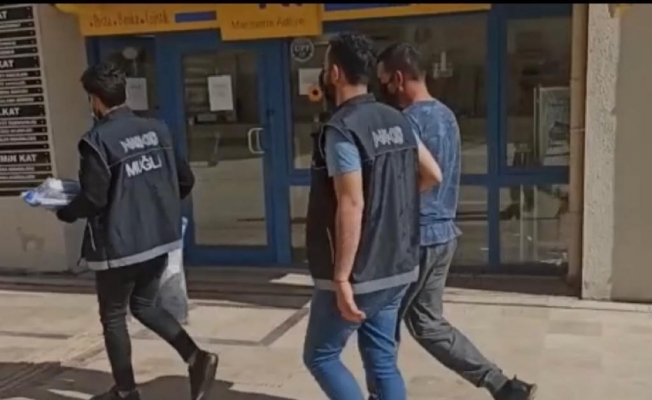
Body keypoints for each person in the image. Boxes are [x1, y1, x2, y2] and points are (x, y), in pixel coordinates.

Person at [375, 42, 538, 400]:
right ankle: (504, 387)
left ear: (399, 78)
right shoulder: (447, 116)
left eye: (384, 81)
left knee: (381, 325)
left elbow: (414, 180)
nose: (382, 89)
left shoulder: (406, 122)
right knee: (427, 324)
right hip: (443, 235)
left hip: (415, 239)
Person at [56, 62, 218, 400]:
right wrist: (154, 207)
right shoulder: (157, 129)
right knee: (144, 305)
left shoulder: (96, 141)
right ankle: (196, 357)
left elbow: (94, 199)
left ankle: (126, 392)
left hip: (120, 245)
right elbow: (185, 180)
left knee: (114, 316)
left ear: (95, 99)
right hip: (159, 239)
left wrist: (65, 211)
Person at [302, 33, 442, 400]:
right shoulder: (398, 119)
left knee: (321, 356)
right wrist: (392, 203)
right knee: (382, 361)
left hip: (360, 270)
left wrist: (341, 277)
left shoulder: (342, 128)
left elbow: (351, 204)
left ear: (334, 73)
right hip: (398, 263)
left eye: (324, 68)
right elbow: (432, 174)